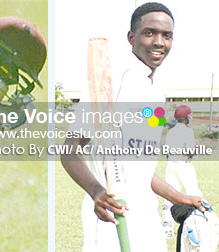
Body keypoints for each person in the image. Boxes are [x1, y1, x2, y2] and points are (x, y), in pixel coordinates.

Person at [61, 2, 208, 251]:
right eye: (149, 33)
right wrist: (97, 192)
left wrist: (180, 197)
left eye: (166, 35)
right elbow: (69, 150)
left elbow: (140, 169)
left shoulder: (158, 90)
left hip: (147, 219)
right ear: (131, 37)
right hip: (110, 218)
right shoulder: (110, 79)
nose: (159, 42)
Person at [161, 105, 203, 236]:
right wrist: (196, 148)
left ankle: (167, 228)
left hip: (171, 165)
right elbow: (190, 151)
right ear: (186, 118)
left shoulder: (171, 132)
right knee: (194, 193)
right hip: (184, 165)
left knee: (169, 196)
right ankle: (199, 223)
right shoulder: (187, 131)